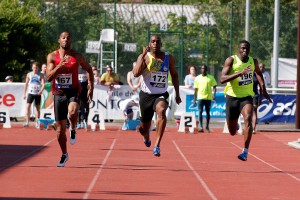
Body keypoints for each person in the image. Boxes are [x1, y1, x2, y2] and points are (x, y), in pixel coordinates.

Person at [46, 31, 94, 167]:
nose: (65, 40)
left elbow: (89, 69)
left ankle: (73, 127)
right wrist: (59, 66)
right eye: (63, 37)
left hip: (73, 90)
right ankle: (64, 154)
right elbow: (49, 77)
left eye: (68, 38)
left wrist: (91, 88)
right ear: (59, 40)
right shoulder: (52, 57)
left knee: (73, 111)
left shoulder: (77, 56)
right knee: (60, 131)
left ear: (71, 41)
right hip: (58, 93)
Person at [220, 40, 272, 161]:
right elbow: (222, 79)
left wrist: (263, 89)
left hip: (246, 97)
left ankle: (245, 151)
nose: (245, 51)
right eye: (243, 48)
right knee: (232, 131)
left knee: (248, 117)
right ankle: (235, 127)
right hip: (232, 97)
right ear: (238, 49)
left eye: (247, 49)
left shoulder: (253, 61)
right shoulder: (231, 60)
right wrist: (240, 73)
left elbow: (258, 73)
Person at [133, 35, 182, 157]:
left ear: (161, 44)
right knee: (144, 128)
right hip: (146, 96)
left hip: (160, 94)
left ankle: (157, 145)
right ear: (149, 44)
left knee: (161, 110)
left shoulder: (168, 58)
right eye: (153, 41)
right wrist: (142, 56)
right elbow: (135, 73)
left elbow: (175, 75)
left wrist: (177, 94)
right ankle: (147, 137)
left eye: (157, 41)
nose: (155, 43)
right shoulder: (145, 57)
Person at [193, 65, 217, 133]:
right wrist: (194, 99)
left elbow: (214, 86)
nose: (203, 69)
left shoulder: (211, 77)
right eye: (202, 68)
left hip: (208, 98)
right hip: (200, 97)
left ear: (206, 70)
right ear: (200, 70)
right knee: (200, 111)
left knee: (208, 112)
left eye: (204, 68)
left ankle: (207, 126)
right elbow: (195, 89)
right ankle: (200, 127)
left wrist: (214, 95)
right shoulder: (197, 78)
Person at [23, 62, 45, 128]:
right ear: (32, 68)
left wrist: (41, 91)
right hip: (31, 93)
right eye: (34, 67)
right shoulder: (29, 74)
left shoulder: (41, 75)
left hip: (37, 93)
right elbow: (26, 84)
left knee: (37, 109)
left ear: (38, 68)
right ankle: (27, 122)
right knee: (28, 107)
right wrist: (24, 93)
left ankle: (37, 123)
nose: (35, 69)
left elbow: (43, 84)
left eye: (36, 68)